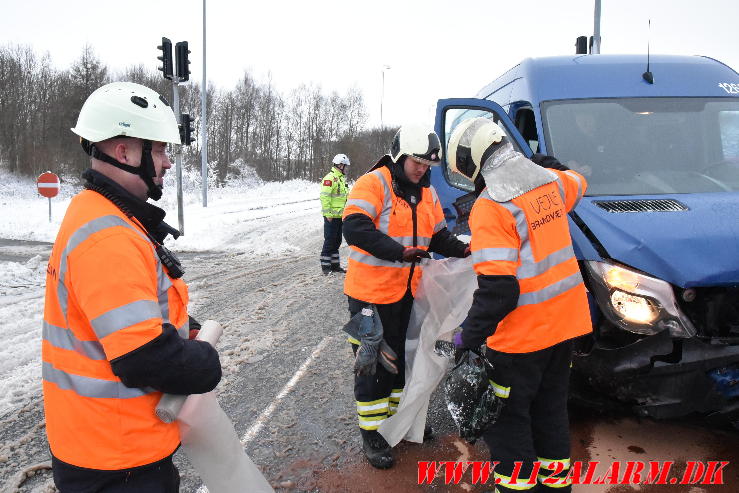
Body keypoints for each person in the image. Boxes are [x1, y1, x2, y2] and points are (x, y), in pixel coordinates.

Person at [42, 81, 222, 492]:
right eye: (159, 150)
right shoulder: (108, 236)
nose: (167, 162)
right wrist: (205, 361)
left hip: (101, 444)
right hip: (115, 457)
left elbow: (123, 312)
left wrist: (183, 328)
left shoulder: (98, 212)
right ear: (125, 152)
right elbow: (144, 359)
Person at [447, 117, 591, 492]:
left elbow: (500, 291)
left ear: (472, 162)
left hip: (520, 340)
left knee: (508, 424)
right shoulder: (551, 183)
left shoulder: (491, 205)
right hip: (565, 329)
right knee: (550, 415)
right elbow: (579, 182)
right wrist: (551, 164)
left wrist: (468, 336)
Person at [342, 124, 470, 469]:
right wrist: (400, 252)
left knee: (402, 359)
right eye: (417, 163)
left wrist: (466, 251)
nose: (423, 170)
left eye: (428, 166)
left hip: (406, 294)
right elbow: (354, 228)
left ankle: (400, 422)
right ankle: (372, 433)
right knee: (372, 365)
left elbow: (438, 237)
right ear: (400, 157)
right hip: (369, 296)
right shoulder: (374, 182)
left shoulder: (427, 192)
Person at [319, 153, 351, 274]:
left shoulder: (341, 179)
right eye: (345, 166)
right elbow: (324, 197)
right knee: (329, 240)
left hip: (340, 216)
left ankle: (335, 266)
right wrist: (328, 214)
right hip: (331, 216)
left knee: (337, 241)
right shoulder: (330, 178)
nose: (346, 169)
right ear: (340, 165)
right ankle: (326, 267)